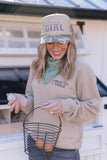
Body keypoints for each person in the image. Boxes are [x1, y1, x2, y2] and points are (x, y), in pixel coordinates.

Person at [7, 13, 100, 160]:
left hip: (64, 150)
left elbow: (93, 107)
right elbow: (33, 99)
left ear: (70, 40)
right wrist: (24, 101)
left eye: (61, 42)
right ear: (44, 43)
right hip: (36, 144)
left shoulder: (81, 69)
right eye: (50, 43)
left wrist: (65, 106)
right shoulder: (37, 65)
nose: (55, 48)